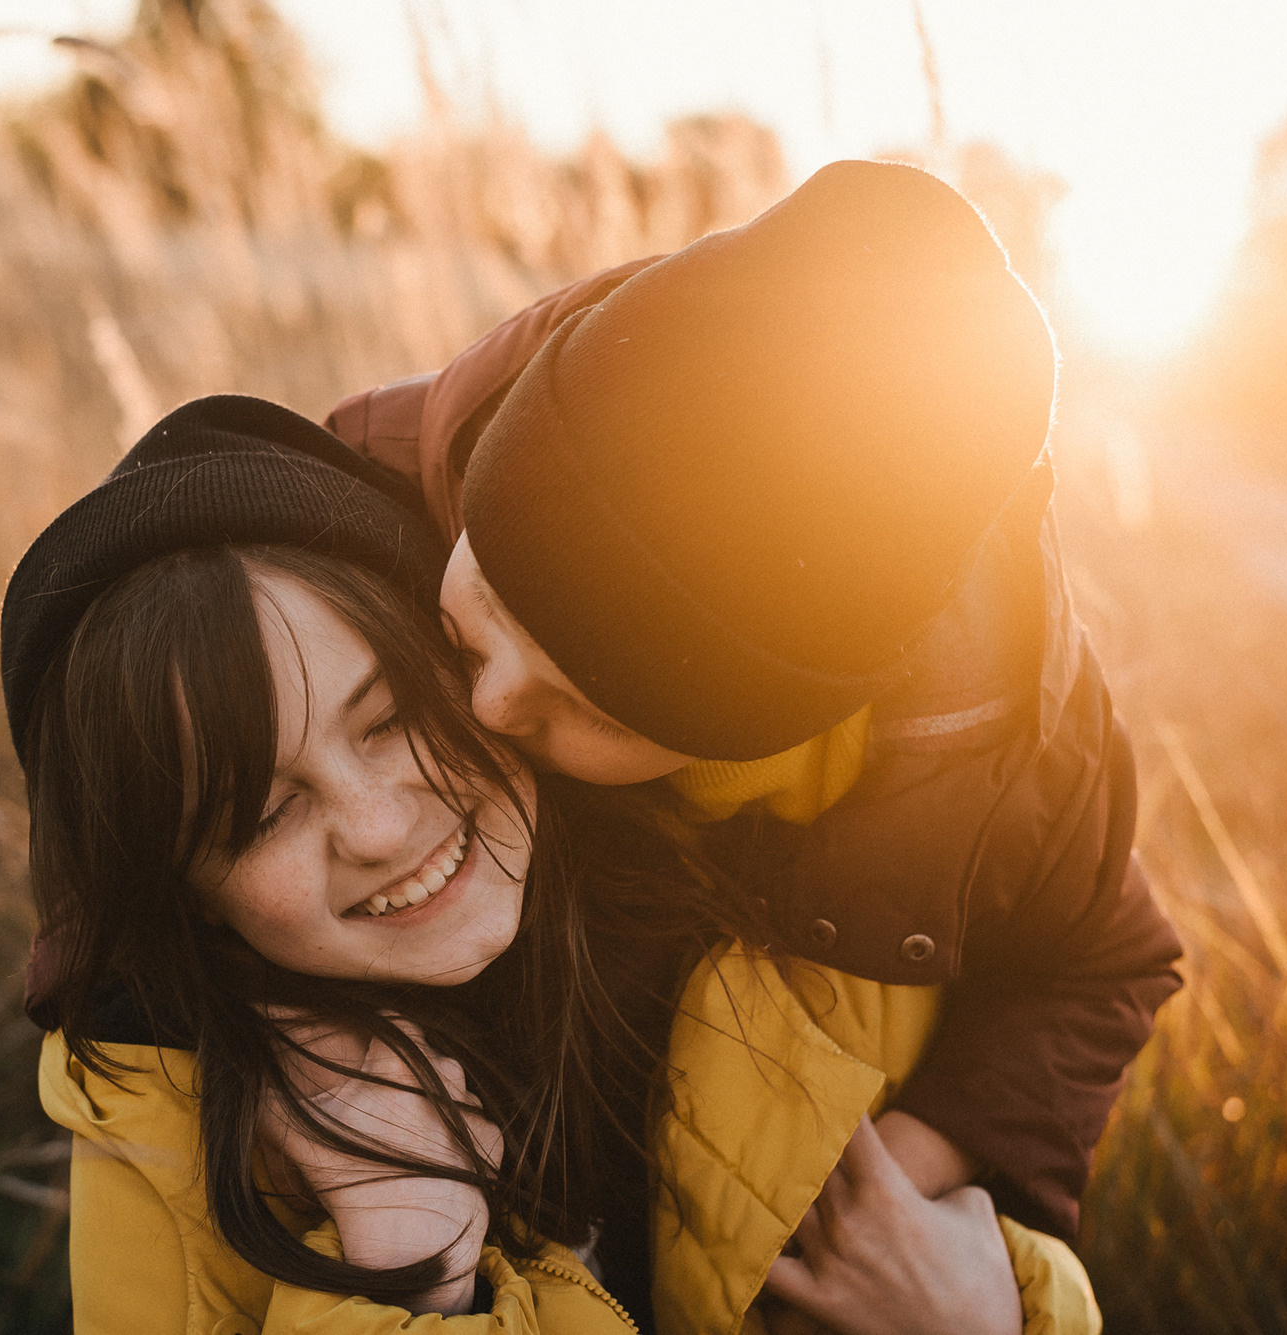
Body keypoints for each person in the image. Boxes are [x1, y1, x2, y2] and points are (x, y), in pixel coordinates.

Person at [0, 394, 1102, 1333]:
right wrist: (402, 1274)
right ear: (186, 894)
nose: (375, 827)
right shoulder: (167, 1132)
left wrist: (995, 1311)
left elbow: (1083, 955)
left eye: (389, 718)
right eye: (262, 815)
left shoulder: (763, 859)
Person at [322, 159, 1184, 1328]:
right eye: (485, 596)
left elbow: (1100, 964)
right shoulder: (364, 499)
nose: (492, 706)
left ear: (774, 722)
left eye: (597, 707)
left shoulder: (1003, 753)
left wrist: (908, 1170)